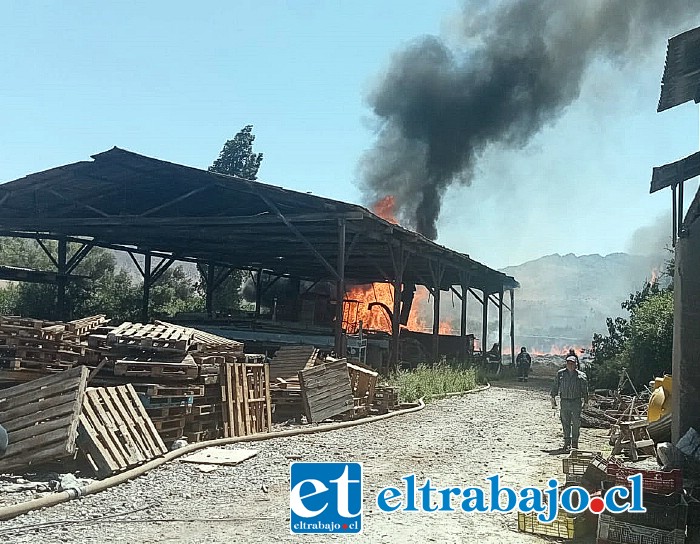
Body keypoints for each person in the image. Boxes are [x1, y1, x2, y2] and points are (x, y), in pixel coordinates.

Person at [550, 356, 588, 451]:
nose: (570, 365)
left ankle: (574, 444)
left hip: (576, 401)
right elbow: (555, 385)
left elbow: (585, 390)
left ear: (576, 364)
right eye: (568, 363)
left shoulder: (581, 376)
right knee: (565, 422)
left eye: (572, 363)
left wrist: (586, 402)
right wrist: (553, 397)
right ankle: (567, 442)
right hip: (564, 401)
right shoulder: (561, 374)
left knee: (576, 423)